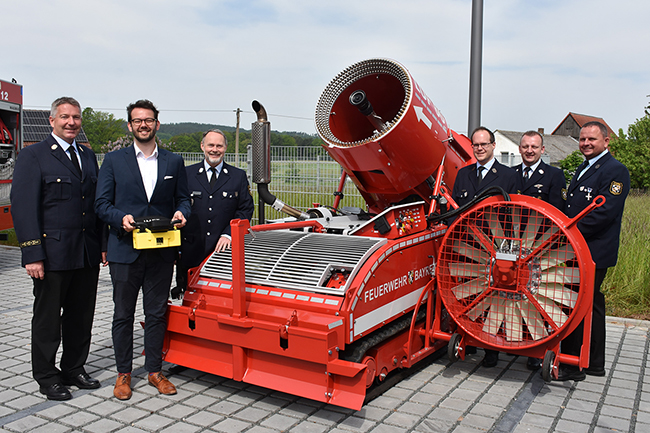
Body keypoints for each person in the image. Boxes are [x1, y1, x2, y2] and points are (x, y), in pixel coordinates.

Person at [95, 99, 191, 400]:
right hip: (125, 249)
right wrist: (118, 218)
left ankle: (154, 370)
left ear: (157, 124)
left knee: (157, 313)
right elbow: (101, 205)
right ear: (130, 125)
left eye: (148, 120)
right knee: (123, 314)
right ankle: (123, 373)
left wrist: (182, 213)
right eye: (138, 120)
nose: (143, 125)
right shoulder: (114, 161)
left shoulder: (174, 162)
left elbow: (184, 199)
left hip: (161, 252)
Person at [11, 97, 104, 400]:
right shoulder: (34, 155)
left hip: (85, 253)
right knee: (48, 319)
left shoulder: (88, 157)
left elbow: (94, 206)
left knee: (81, 317)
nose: (71, 123)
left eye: (76, 117)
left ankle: (74, 368)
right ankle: (47, 376)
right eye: (64, 117)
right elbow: (23, 208)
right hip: (51, 255)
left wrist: (101, 246)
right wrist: (32, 253)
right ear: (52, 121)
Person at [555, 121, 629, 382]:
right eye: (582, 139)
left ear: (606, 141)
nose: (585, 143)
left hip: (593, 251)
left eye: (592, 140)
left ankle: (574, 364)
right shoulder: (584, 167)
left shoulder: (615, 171)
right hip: (577, 249)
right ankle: (595, 363)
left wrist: (567, 233)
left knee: (578, 304)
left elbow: (604, 213)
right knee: (593, 304)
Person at [451, 126, 518, 368]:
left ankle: (492, 348)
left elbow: (515, 215)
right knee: (470, 295)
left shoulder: (509, 176)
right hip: (467, 247)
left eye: (484, 144)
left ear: (493, 146)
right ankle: (471, 340)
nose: (479, 148)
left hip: (496, 248)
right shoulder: (463, 174)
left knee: (496, 300)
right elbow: (455, 209)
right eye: (475, 145)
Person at [173, 129, 254, 296]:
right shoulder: (186, 174)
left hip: (222, 252)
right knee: (189, 299)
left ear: (225, 148)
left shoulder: (237, 176)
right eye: (210, 145)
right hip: (190, 251)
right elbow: (176, 205)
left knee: (219, 298)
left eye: (219, 146)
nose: (214, 150)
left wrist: (229, 234)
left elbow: (245, 209)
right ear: (202, 146)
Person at [512, 130, 567, 370]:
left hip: (541, 245)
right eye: (525, 146)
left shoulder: (554, 175)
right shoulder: (510, 174)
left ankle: (535, 349)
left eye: (534, 147)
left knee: (537, 297)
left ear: (542, 149)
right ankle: (509, 340)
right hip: (512, 242)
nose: (529, 150)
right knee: (509, 296)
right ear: (520, 149)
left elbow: (557, 213)